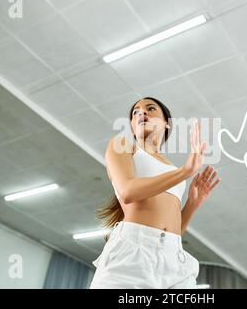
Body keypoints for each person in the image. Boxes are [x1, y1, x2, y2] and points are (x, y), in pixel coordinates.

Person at [90, 97, 221, 289]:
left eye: (150, 109)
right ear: (133, 127)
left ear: (166, 123)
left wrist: (193, 204)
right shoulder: (123, 145)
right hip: (132, 254)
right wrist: (185, 172)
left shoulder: (172, 168)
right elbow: (127, 191)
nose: (141, 113)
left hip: (174, 258)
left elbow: (174, 230)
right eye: (135, 112)